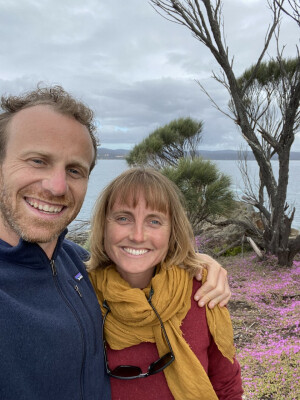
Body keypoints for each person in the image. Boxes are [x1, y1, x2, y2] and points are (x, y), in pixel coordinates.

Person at [0, 85, 231, 400]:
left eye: (74, 170)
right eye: (37, 160)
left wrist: (202, 263)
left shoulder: (78, 266)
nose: (56, 186)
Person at [88, 167, 243, 400]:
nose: (138, 235)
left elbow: (226, 385)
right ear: (104, 226)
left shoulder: (202, 291)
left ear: (172, 231)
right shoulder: (81, 295)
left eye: (154, 221)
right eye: (123, 218)